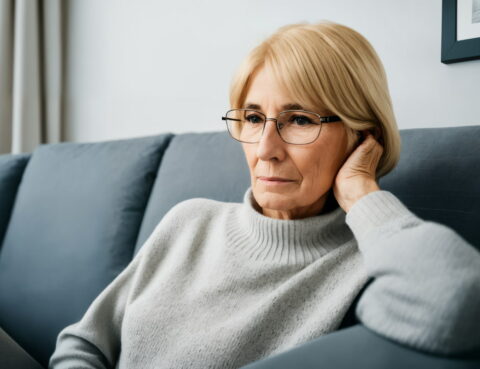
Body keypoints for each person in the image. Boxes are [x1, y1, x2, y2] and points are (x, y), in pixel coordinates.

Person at [48, 21, 480, 369]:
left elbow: (461, 305)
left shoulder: (371, 262)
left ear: (362, 137)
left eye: (299, 120)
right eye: (254, 118)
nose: (266, 150)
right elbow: (84, 343)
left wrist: (362, 192)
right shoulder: (189, 220)